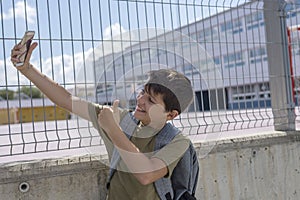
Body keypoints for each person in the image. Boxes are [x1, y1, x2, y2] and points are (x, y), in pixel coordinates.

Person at [11, 39, 196, 200]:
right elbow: (67, 100)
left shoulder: (177, 142)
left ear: (171, 115)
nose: (140, 100)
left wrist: (113, 129)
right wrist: (26, 69)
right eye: (142, 92)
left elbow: (146, 174)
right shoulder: (121, 118)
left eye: (151, 100)